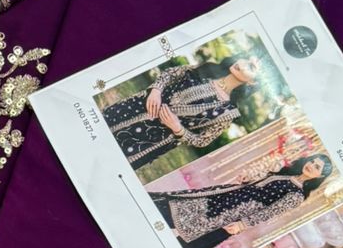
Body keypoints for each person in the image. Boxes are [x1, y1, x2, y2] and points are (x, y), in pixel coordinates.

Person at [149, 151, 333, 248]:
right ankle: (145, 217)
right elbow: (260, 184)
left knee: (194, 242)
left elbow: (269, 212)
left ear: (320, 176)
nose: (311, 166)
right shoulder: (288, 172)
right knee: (178, 206)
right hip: (228, 196)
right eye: (313, 161)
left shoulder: (297, 195)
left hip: (235, 214)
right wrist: (248, 180)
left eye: (317, 167)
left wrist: (242, 225)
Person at [100, 54, 260, 169]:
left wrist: (178, 128)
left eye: (251, 67)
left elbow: (203, 140)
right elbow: (171, 73)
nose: (243, 64)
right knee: (98, 128)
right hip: (139, 106)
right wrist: (156, 90)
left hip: (153, 139)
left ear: (252, 83)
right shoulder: (209, 68)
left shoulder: (228, 112)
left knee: (108, 163)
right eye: (246, 59)